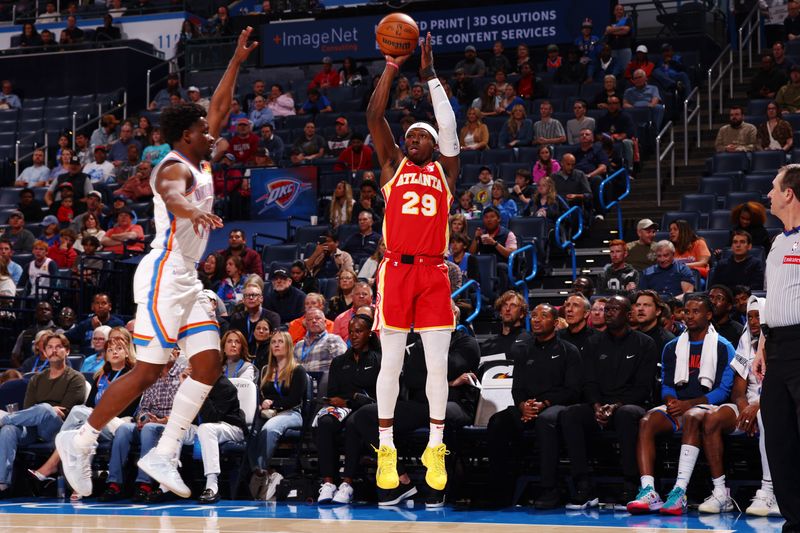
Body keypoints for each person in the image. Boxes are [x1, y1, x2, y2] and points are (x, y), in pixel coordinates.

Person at [56, 28, 258, 500]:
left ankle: (164, 451)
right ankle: (81, 440)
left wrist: (235, 61)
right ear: (187, 137)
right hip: (164, 271)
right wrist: (193, 210)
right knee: (149, 369)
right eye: (204, 132)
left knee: (207, 365)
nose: (213, 134)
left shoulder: (200, 158)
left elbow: (221, 108)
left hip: (186, 274)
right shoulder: (172, 166)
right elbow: (171, 195)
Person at [365, 32, 461, 494]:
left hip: (434, 271)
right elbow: (373, 115)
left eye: (427, 135)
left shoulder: (446, 171)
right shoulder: (392, 167)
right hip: (397, 271)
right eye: (414, 136)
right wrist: (390, 67)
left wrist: (429, 76)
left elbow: (451, 129)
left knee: (436, 366)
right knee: (391, 364)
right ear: (406, 145)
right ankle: (385, 445)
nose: (422, 138)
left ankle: (436, 444)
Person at [627, 294, 735, 515]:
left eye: (696, 311)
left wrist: (688, 405)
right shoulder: (672, 346)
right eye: (686, 311)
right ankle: (649, 491)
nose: (689, 316)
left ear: (709, 315)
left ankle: (679, 492)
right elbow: (666, 384)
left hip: (706, 407)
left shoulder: (724, 346)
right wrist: (671, 401)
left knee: (693, 415)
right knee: (647, 420)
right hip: (679, 407)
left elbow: (723, 392)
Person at [561, 295, 658, 510]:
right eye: (607, 310)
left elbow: (643, 387)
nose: (609, 313)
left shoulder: (645, 343)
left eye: (615, 309)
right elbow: (588, 382)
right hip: (599, 406)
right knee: (571, 414)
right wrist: (596, 406)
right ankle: (583, 485)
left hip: (630, 405)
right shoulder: (593, 342)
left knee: (626, 415)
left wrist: (615, 406)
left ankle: (631, 484)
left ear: (628, 314)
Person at [487, 303, 581, 508]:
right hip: (527, 408)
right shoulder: (523, 350)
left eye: (543, 316)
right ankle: (498, 489)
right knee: (498, 421)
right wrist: (522, 405)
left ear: (556, 323)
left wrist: (544, 404)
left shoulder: (568, 350)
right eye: (534, 315)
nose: (536, 320)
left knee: (546, 422)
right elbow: (516, 388)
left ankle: (549, 489)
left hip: (555, 406)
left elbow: (572, 390)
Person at [691, 296, 779, 515]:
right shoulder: (744, 342)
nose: (754, 321)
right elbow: (738, 390)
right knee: (712, 419)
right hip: (747, 407)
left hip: (772, 405)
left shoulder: (781, 343)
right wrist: (744, 407)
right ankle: (721, 493)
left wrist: (756, 407)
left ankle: (770, 491)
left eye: (758, 316)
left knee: (764, 416)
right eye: (749, 317)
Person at [749, 164, 800, 530]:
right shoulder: (777, 242)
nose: (768, 194)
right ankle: (794, 521)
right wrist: (763, 342)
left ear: (789, 193)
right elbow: (773, 298)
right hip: (778, 347)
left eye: (773, 187)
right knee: (779, 441)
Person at [27, 334, 136, 501]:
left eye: (119, 349)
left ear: (127, 352)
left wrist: (97, 414)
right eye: (110, 350)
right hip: (96, 423)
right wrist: (94, 415)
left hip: (119, 423)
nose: (114, 352)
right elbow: (91, 403)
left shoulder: (132, 376)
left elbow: (130, 407)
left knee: (79, 412)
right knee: (79, 432)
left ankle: (52, 464)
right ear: (105, 354)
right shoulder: (101, 377)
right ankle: (78, 485)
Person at [0, 333, 86, 496]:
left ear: (67, 351)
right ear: (44, 352)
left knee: (46, 409)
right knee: (9, 429)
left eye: (58, 347)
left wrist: (46, 410)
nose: (54, 351)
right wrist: (43, 410)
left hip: (58, 429)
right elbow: (28, 408)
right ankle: (3, 483)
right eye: (50, 347)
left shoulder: (76, 378)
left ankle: (3, 418)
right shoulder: (36, 379)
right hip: (33, 427)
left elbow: (66, 411)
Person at [315, 313, 381, 504]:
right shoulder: (339, 362)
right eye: (351, 332)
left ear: (369, 333)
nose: (353, 335)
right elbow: (334, 393)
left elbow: (376, 395)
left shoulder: (378, 359)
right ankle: (328, 483)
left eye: (359, 331)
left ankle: (347, 484)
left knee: (355, 422)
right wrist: (345, 401)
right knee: (325, 422)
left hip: (368, 409)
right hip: (343, 406)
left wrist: (351, 400)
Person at [248, 331, 307, 500]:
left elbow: (295, 398)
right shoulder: (266, 370)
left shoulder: (297, 370)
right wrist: (261, 404)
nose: (276, 345)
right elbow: (259, 394)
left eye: (280, 342)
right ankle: (264, 471)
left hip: (292, 412)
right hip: (267, 412)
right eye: (273, 342)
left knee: (270, 428)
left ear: (288, 346)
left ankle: (261, 471)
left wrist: (274, 404)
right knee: (249, 429)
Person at [633, 290, 676, 358]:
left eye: (646, 305)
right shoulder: (629, 338)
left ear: (658, 311)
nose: (640, 309)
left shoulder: (668, 341)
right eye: (638, 305)